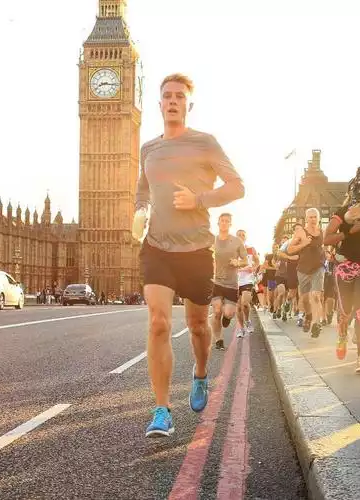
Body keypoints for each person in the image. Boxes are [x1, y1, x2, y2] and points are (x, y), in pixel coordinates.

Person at [132, 73, 245, 437]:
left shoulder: (205, 143)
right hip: (156, 248)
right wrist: (140, 211)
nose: (173, 101)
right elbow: (142, 189)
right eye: (167, 96)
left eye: (180, 96)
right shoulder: (148, 148)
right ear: (159, 103)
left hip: (196, 248)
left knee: (198, 327)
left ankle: (199, 375)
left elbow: (237, 186)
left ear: (188, 104)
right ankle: (162, 409)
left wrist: (199, 200)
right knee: (159, 322)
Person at [324, 164, 360, 371]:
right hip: (346, 267)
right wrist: (350, 232)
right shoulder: (343, 212)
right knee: (345, 312)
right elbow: (326, 238)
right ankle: (341, 334)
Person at [211, 213, 247, 350]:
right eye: (222, 221)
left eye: (227, 221)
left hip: (232, 284)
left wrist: (238, 262)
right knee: (217, 311)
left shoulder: (237, 241)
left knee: (228, 313)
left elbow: (245, 260)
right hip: (217, 282)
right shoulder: (212, 241)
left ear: (230, 224)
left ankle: (227, 318)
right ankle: (218, 340)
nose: (224, 223)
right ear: (218, 223)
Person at [288, 208, 325, 337]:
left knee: (315, 295)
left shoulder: (322, 232)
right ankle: (309, 316)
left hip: (318, 267)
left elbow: (326, 246)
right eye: (310, 217)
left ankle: (316, 323)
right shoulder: (300, 233)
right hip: (303, 269)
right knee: (304, 300)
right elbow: (290, 249)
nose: (313, 219)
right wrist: (303, 244)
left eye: (315, 217)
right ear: (306, 218)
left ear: (319, 218)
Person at [235, 229, 260, 337]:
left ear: (246, 237)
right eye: (239, 235)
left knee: (245, 303)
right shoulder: (232, 249)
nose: (241, 236)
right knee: (238, 307)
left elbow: (258, 261)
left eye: (243, 235)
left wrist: (253, 268)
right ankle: (241, 328)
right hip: (235, 280)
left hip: (247, 280)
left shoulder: (251, 249)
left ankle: (248, 321)